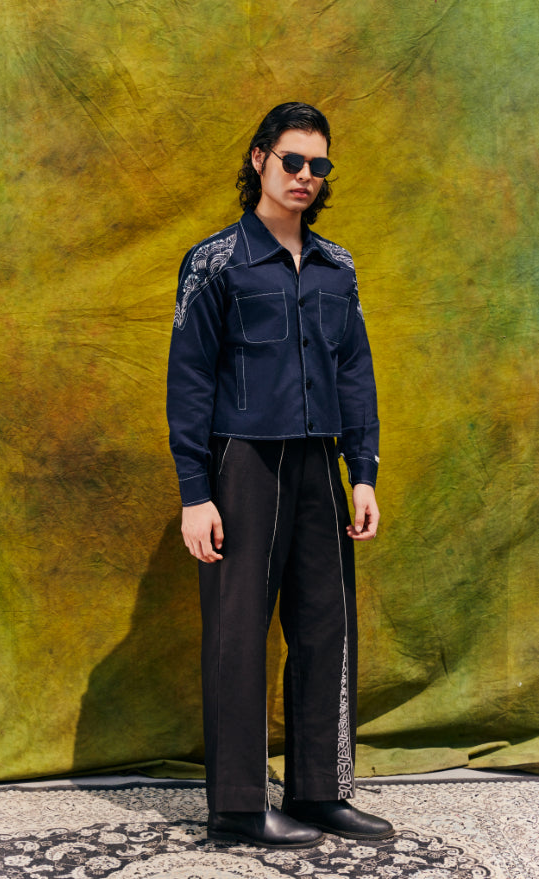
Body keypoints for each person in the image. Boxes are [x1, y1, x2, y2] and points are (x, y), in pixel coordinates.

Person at [166, 102, 394, 849]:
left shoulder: (337, 268)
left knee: (327, 626)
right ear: (259, 158)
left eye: (317, 165)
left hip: (319, 464)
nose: (304, 176)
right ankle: (236, 805)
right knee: (238, 633)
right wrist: (195, 493)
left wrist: (362, 472)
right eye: (291, 160)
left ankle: (320, 791)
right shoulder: (214, 262)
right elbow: (189, 379)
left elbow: (354, 371)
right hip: (242, 462)